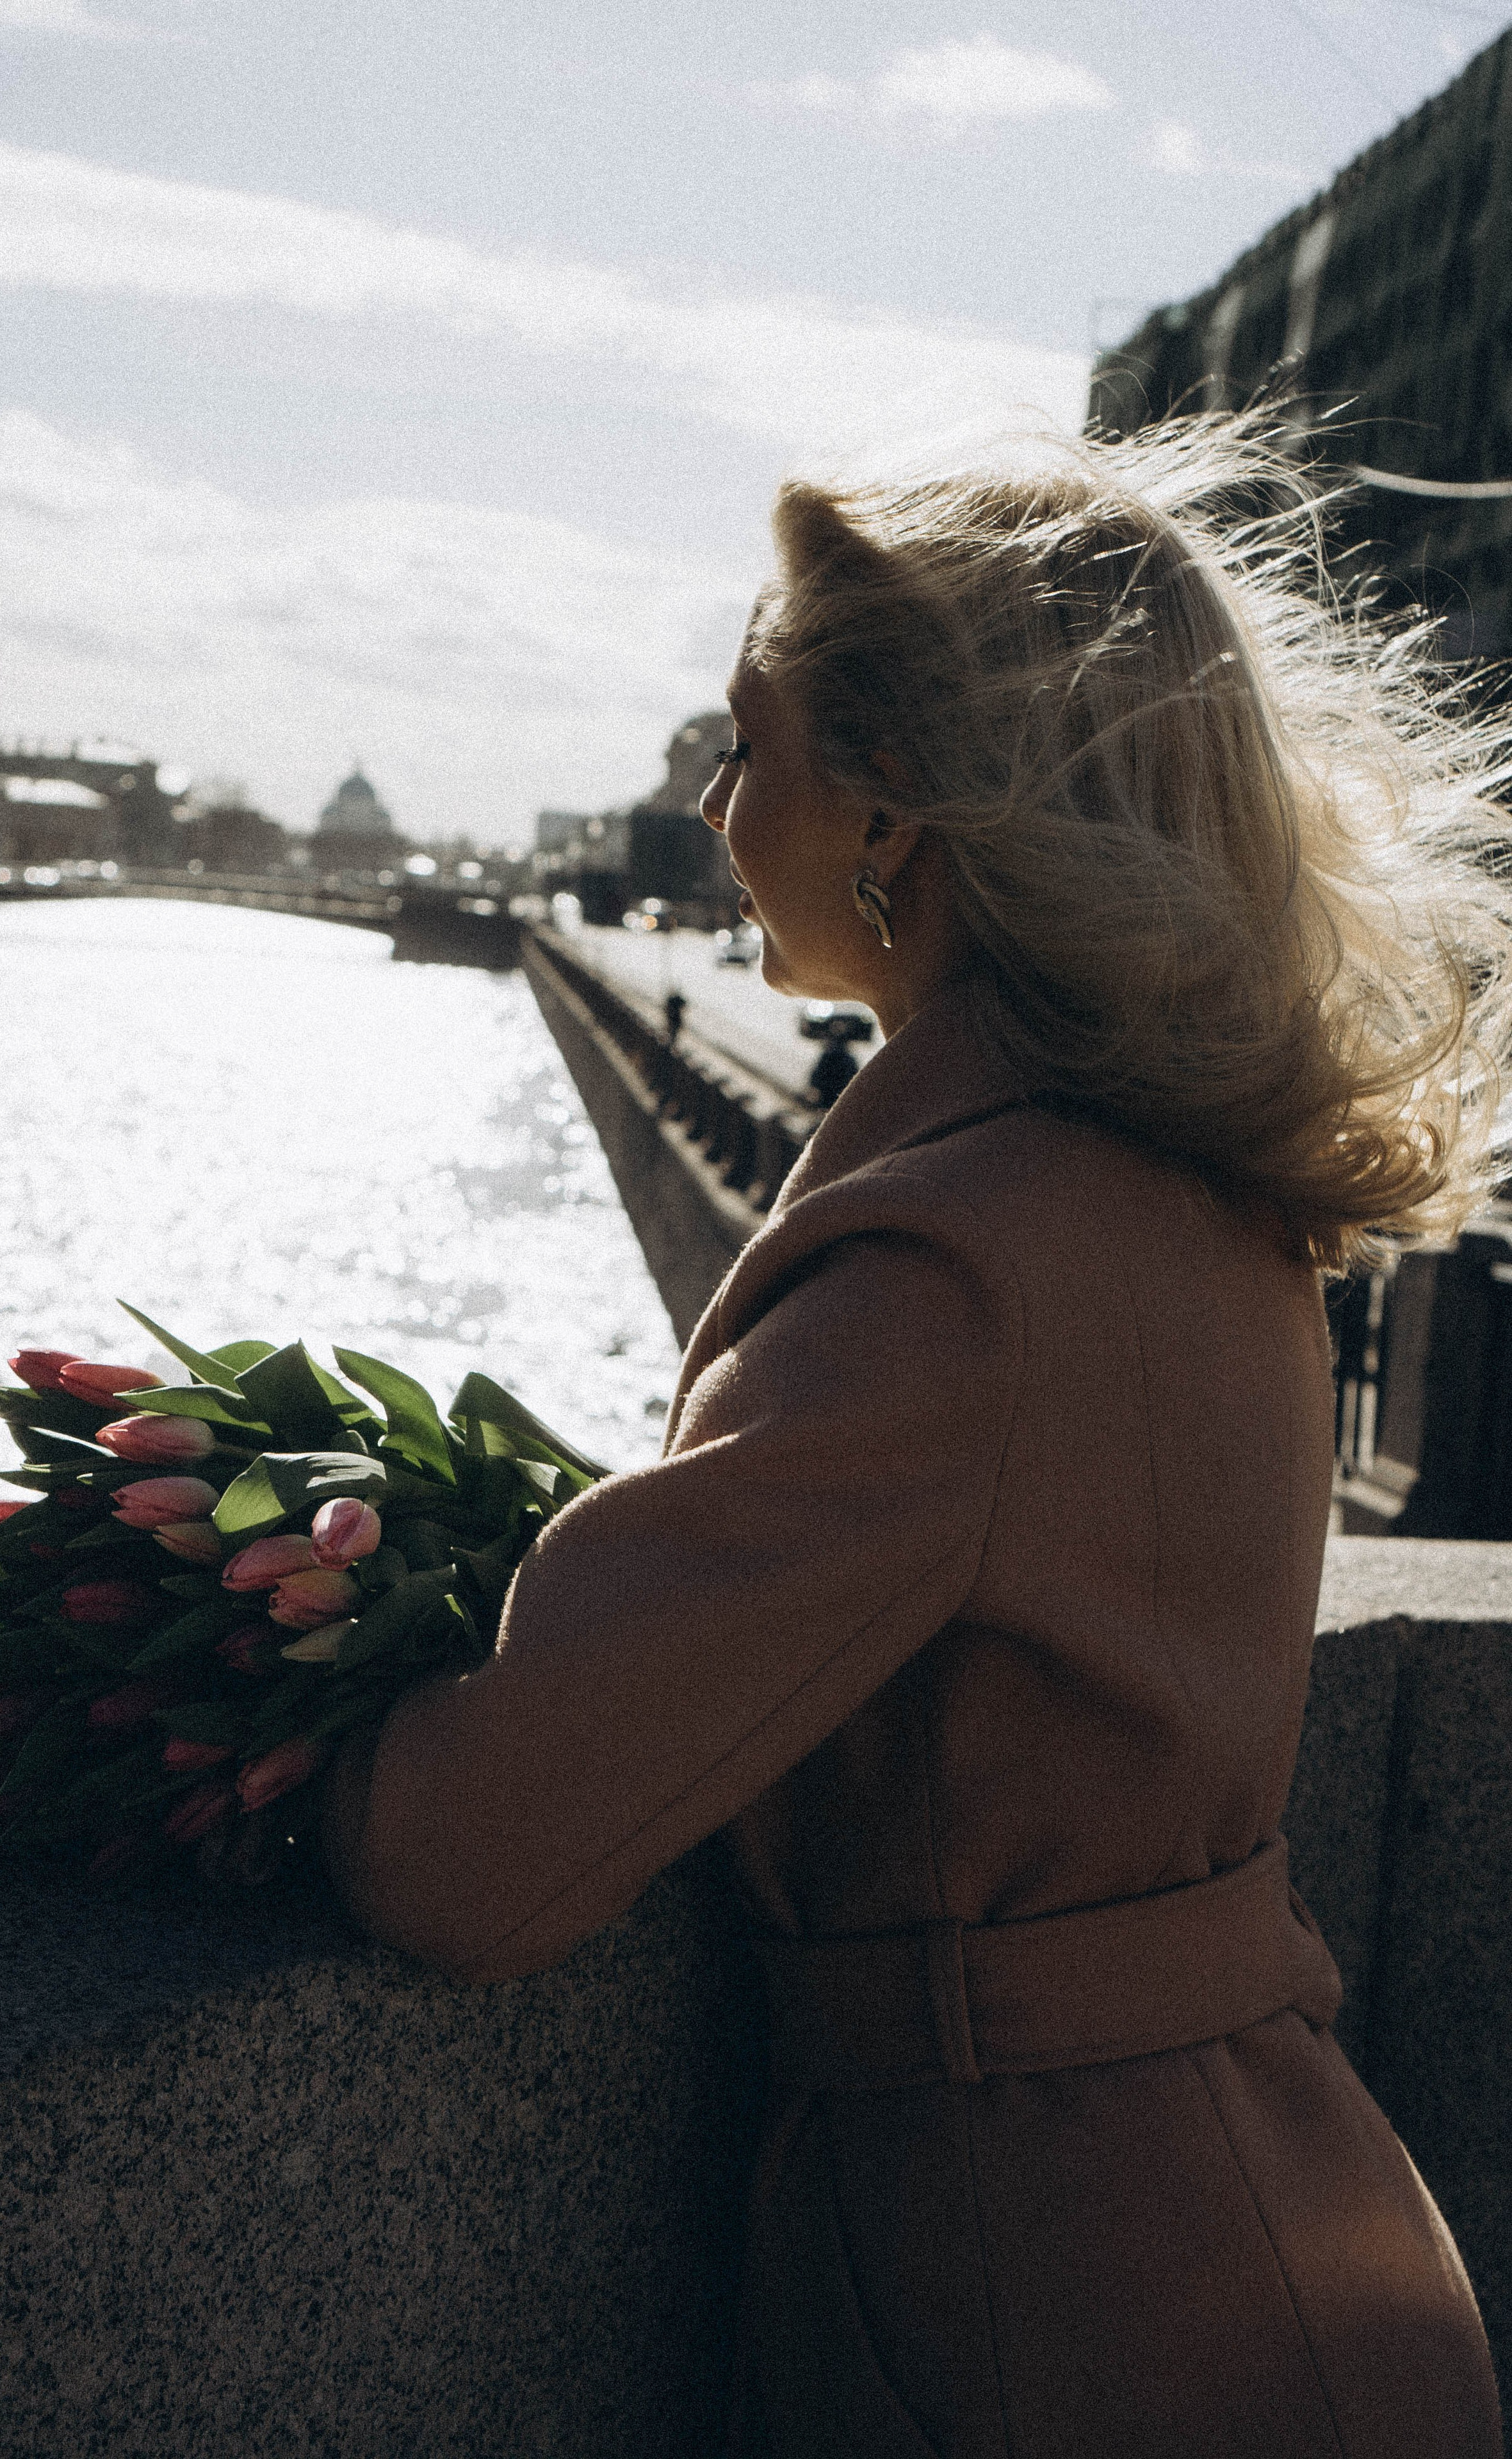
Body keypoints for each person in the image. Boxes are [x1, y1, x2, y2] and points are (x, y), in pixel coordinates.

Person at [325, 416, 1509, 2456]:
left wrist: (285, 1684)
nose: (709, 802)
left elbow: (471, 1851)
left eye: (746, 742)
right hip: (1282, 2230)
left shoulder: (948, 1270)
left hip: (1053, 2306)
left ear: (897, 812)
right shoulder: (1202, 1190)